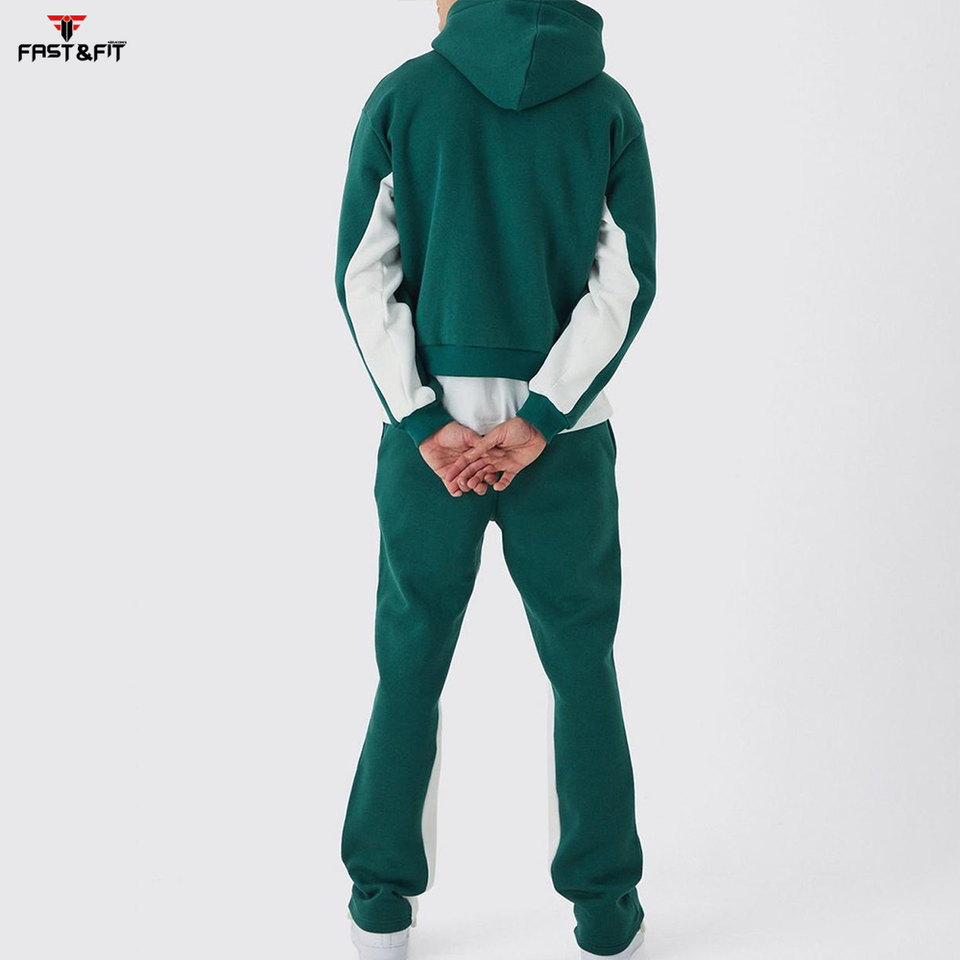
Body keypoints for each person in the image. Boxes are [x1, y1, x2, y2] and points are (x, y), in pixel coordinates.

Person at [334, 1, 656, 957]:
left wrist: (422, 417)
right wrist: (542, 416)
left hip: (429, 438)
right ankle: (605, 914)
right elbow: (623, 282)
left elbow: (363, 274)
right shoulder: (607, 105)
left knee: (411, 659)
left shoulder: (405, 96)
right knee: (582, 665)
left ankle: (381, 908)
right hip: (564, 443)